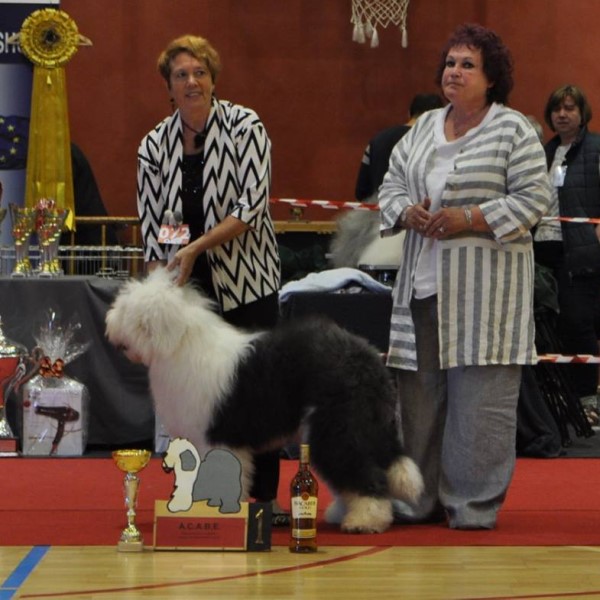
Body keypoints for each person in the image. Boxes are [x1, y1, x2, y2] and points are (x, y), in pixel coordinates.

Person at [378, 23, 552, 529]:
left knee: (481, 405)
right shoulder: (423, 127)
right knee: (416, 404)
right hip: (421, 289)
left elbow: (535, 200)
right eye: (450, 63)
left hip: (486, 296)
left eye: (468, 65)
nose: (454, 71)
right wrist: (406, 211)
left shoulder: (514, 130)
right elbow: (390, 185)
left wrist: (470, 218)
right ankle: (415, 500)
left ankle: (472, 505)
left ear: (491, 78)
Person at [136, 35, 284, 522]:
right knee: (195, 397)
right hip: (189, 296)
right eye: (181, 75)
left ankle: (263, 499)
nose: (191, 82)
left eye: (200, 72)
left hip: (246, 283)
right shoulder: (153, 146)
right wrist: (163, 286)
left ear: (214, 80)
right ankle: (204, 494)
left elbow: (251, 206)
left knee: (255, 391)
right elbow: (155, 229)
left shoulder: (245, 126)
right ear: (169, 87)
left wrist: (198, 246)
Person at [540, 85, 600, 407]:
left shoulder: (596, 149)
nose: (562, 115)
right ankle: (554, 397)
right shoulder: (544, 152)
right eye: (556, 109)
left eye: (569, 108)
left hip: (578, 251)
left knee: (578, 323)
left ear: (582, 113)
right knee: (548, 324)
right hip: (541, 247)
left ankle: (587, 397)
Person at [355, 93, 444, 202]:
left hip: (378, 208)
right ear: (440, 116)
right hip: (417, 209)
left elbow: (361, 190)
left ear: (409, 113)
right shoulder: (435, 141)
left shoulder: (378, 139)